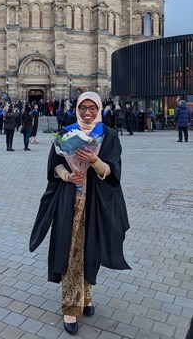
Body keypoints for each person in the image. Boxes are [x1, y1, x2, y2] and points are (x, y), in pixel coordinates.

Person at [29, 92, 130, 336]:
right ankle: (70, 307)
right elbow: (54, 164)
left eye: (92, 108)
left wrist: (95, 161)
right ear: (76, 108)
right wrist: (67, 175)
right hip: (69, 201)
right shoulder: (65, 133)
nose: (87, 112)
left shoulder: (109, 135)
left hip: (95, 202)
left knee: (90, 251)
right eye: (82, 108)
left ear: (98, 109)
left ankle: (85, 297)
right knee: (71, 251)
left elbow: (114, 174)